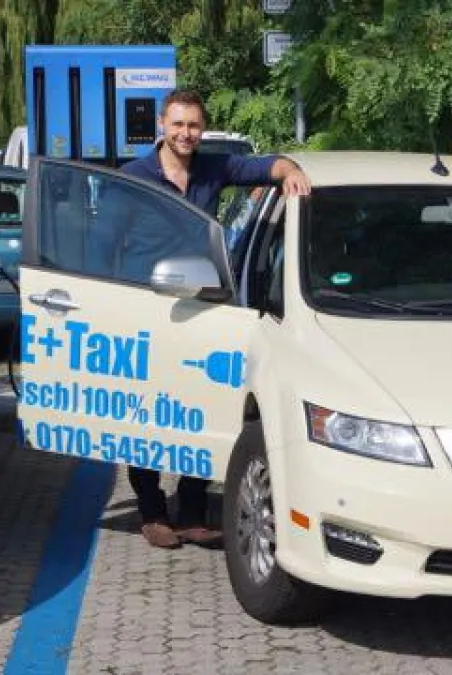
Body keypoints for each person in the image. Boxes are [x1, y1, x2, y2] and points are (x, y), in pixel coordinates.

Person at [113, 88, 311, 550]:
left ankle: (193, 509)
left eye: (194, 126)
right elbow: (108, 243)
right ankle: (152, 512)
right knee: (145, 416)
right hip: (145, 309)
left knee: (198, 407)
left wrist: (292, 171)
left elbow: (268, 165)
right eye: (178, 124)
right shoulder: (133, 177)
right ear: (162, 125)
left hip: (200, 310)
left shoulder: (214, 167)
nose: (186, 133)